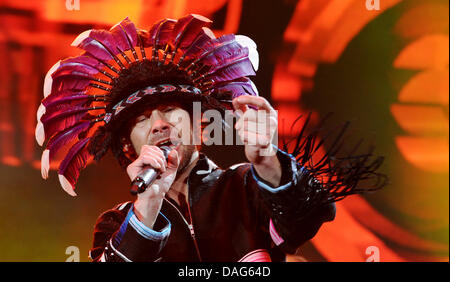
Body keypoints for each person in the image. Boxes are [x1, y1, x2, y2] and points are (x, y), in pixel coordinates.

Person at [35, 14, 386, 262]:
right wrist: (148, 207)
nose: (158, 124)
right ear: (129, 147)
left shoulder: (246, 185)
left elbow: (311, 217)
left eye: (170, 111)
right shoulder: (117, 223)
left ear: (199, 124)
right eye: (142, 120)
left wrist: (267, 159)